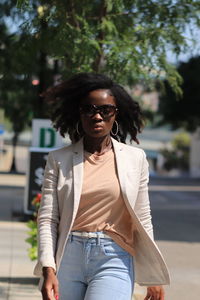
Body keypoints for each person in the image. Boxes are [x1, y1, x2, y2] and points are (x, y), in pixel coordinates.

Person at [34, 72, 170, 300]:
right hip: (68, 256)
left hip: (114, 257)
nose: (97, 116)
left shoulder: (135, 159)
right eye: (89, 109)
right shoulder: (59, 159)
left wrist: (152, 275)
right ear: (79, 113)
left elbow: (142, 217)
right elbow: (48, 217)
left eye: (105, 110)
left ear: (116, 114)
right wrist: (48, 268)